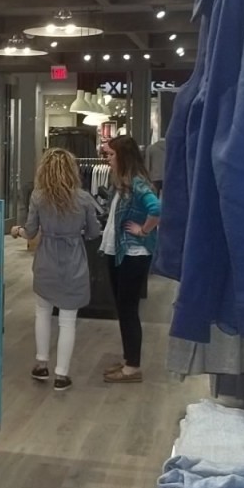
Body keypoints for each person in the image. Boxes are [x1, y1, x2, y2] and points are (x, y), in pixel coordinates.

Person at [11, 148, 101, 391]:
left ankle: (41, 364)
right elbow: (94, 233)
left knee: (42, 312)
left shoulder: (38, 197)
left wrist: (18, 231)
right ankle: (62, 375)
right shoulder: (83, 198)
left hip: (46, 260)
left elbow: (30, 232)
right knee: (68, 320)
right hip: (74, 261)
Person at [100, 135, 161, 383]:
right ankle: (129, 360)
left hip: (133, 254)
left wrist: (143, 230)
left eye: (111, 155)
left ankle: (133, 367)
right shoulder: (125, 183)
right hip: (121, 252)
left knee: (128, 310)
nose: (108, 159)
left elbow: (156, 209)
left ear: (123, 156)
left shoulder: (137, 183)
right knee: (124, 309)